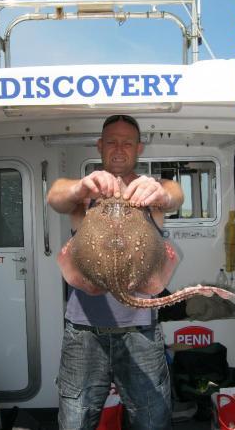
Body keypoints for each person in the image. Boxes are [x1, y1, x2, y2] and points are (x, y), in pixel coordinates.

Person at [47, 115, 184, 430]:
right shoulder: (84, 194)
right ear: (100, 146)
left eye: (127, 142)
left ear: (139, 148)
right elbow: (56, 194)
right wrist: (82, 185)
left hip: (141, 331)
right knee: (75, 421)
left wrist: (162, 194)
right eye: (111, 141)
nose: (119, 148)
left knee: (151, 421)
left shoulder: (151, 193)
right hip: (84, 332)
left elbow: (175, 193)